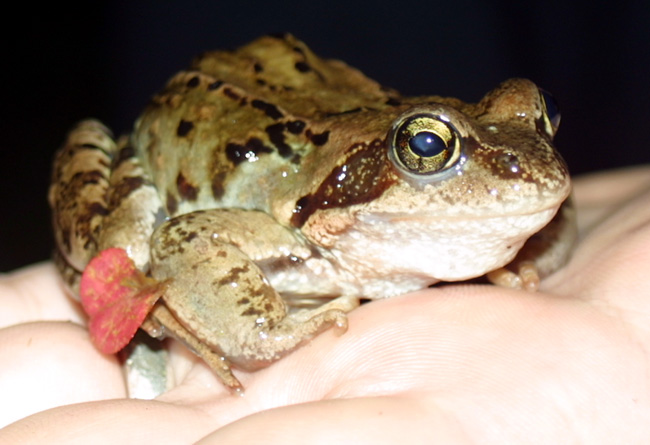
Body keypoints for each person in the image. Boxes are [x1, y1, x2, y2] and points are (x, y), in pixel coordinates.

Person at [1, 166, 649, 443]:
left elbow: (551, 204)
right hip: (196, 143)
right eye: (430, 151)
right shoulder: (288, 223)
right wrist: (262, 327)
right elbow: (184, 235)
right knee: (133, 233)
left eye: (542, 119)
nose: (525, 169)